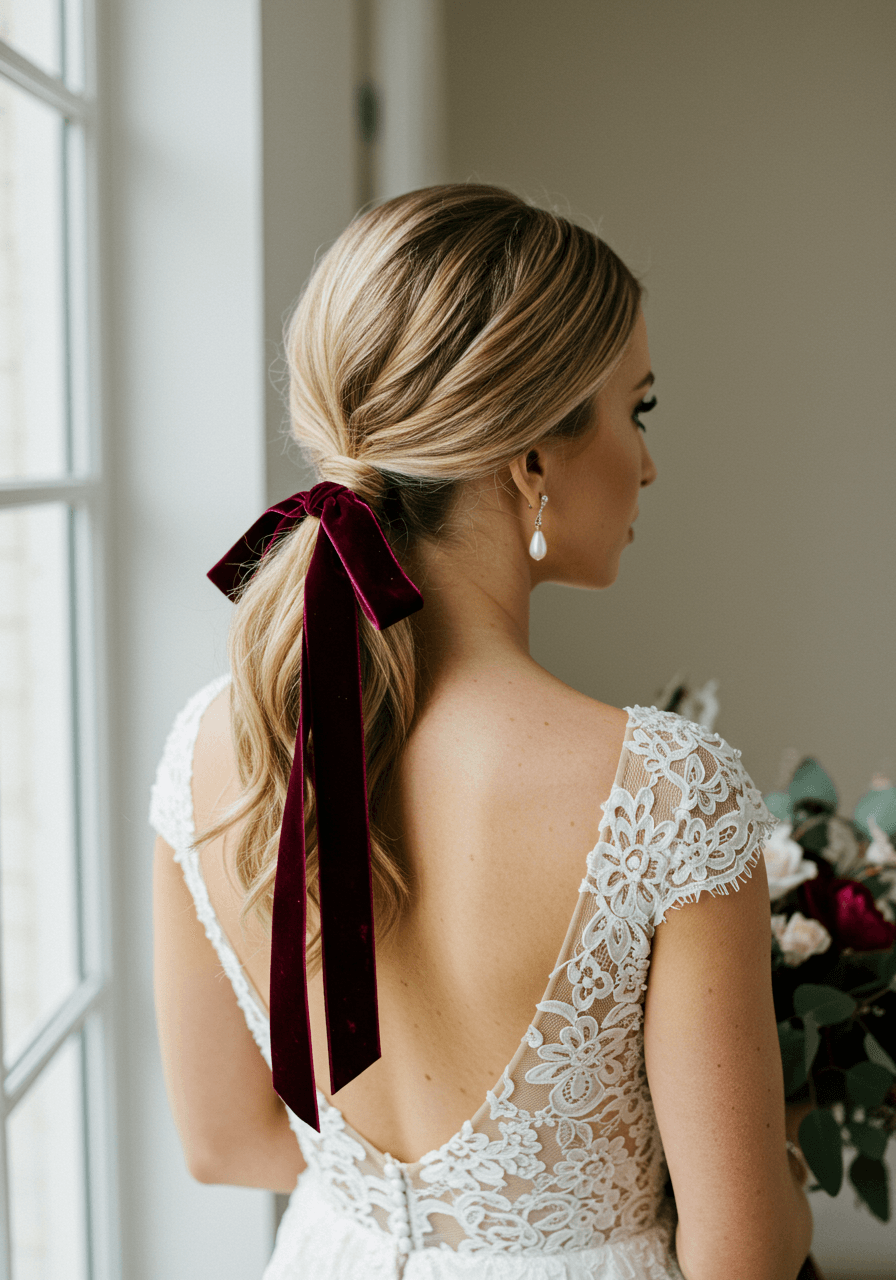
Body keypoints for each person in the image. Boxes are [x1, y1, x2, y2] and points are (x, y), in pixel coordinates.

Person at [151, 184, 815, 1279]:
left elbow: (226, 1142)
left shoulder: (211, 746)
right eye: (634, 410)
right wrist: (773, 1133)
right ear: (530, 460)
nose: (646, 463)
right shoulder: (661, 790)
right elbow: (737, 1257)